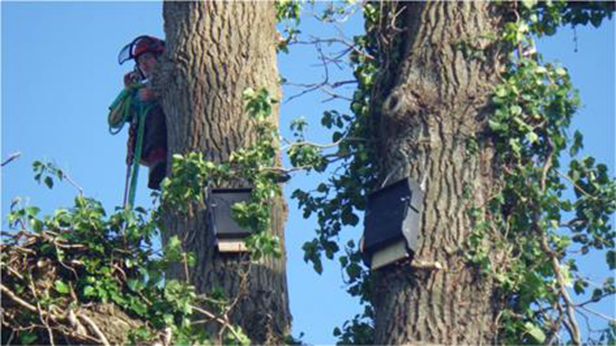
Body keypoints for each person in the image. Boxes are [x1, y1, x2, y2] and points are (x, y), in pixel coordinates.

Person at [118, 35, 168, 191]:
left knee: (155, 111)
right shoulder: (140, 90)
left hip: (165, 137)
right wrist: (128, 92)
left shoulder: (171, 79)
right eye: (140, 62)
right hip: (147, 149)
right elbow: (118, 117)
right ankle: (157, 162)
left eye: (147, 58)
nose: (143, 64)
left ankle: (158, 160)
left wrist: (156, 94)